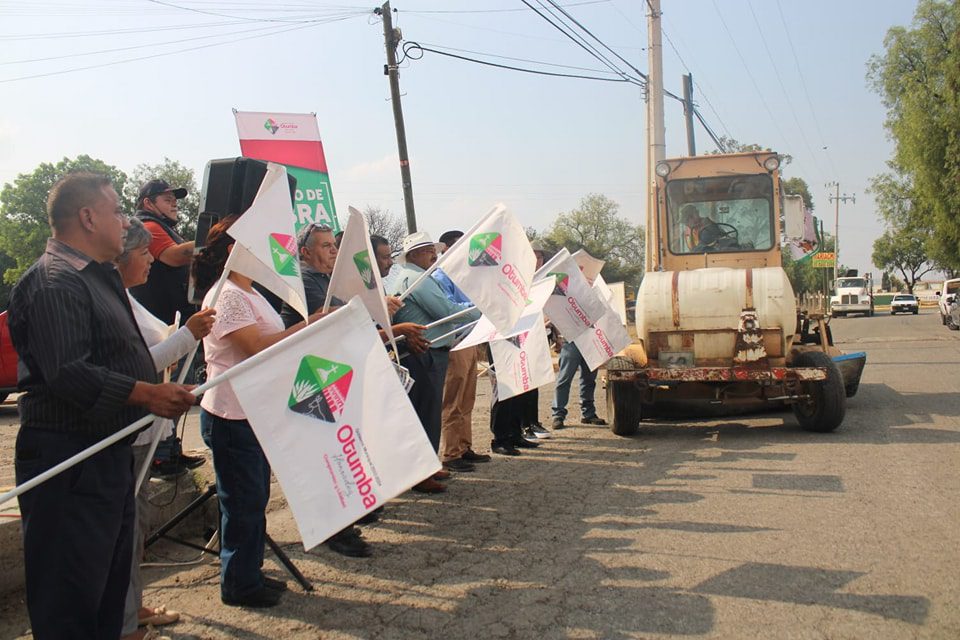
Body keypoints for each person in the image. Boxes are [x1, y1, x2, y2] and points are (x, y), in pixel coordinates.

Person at [9, 172, 196, 639]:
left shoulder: (99, 279)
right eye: (116, 211)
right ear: (88, 217)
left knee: (108, 595)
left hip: (106, 455)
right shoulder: (56, 281)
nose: (124, 220)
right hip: (71, 461)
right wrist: (148, 394)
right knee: (72, 599)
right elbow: (69, 372)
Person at [193, 216, 325, 608]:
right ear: (237, 251)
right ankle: (238, 585)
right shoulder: (227, 295)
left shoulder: (250, 292)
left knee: (252, 500)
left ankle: (248, 572)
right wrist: (309, 327)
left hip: (252, 412)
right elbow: (255, 348)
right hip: (231, 414)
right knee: (242, 502)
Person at [115, 217, 217, 639]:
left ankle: (131, 609)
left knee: (133, 529)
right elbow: (136, 364)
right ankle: (122, 620)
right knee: (123, 532)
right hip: (130, 431)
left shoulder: (125, 297)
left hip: (146, 427)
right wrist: (187, 337)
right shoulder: (109, 299)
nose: (150, 264)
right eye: (143, 255)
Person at [390, 231, 481, 493]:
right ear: (415, 254)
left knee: (427, 411)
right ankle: (421, 473)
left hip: (427, 350)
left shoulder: (413, 276)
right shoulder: (417, 279)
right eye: (429, 250)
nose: (434, 254)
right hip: (425, 353)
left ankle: (426, 465)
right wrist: (483, 308)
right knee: (426, 412)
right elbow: (447, 311)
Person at [129, 178, 204, 478]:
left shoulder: (164, 228)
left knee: (172, 386)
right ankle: (161, 456)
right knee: (163, 387)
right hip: (158, 324)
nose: (174, 202)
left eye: (176, 198)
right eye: (167, 198)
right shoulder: (148, 227)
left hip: (169, 321)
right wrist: (211, 239)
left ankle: (169, 450)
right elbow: (174, 256)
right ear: (148, 203)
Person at [433, 230, 491, 471]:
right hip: (455, 342)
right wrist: (477, 306)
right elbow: (449, 309)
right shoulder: (440, 276)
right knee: (453, 399)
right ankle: (450, 452)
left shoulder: (464, 276)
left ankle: (464, 446)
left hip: (470, 340)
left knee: (466, 399)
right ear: (446, 249)